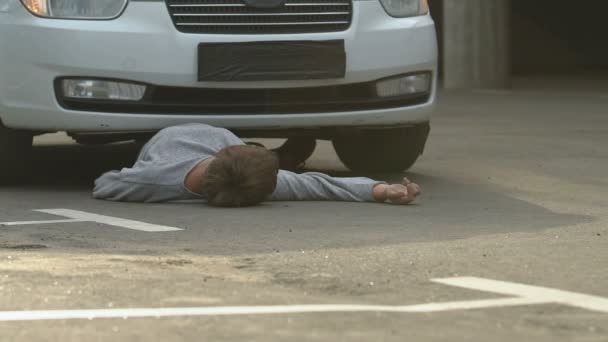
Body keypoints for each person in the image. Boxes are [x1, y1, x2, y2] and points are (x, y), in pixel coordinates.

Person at [93, 123, 421, 206]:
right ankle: (285, 157)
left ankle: (284, 156)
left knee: (270, 160)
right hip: (179, 141)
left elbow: (104, 184)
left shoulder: (150, 182)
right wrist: (378, 190)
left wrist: (379, 190)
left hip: (193, 139)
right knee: (282, 164)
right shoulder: (152, 180)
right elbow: (319, 185)